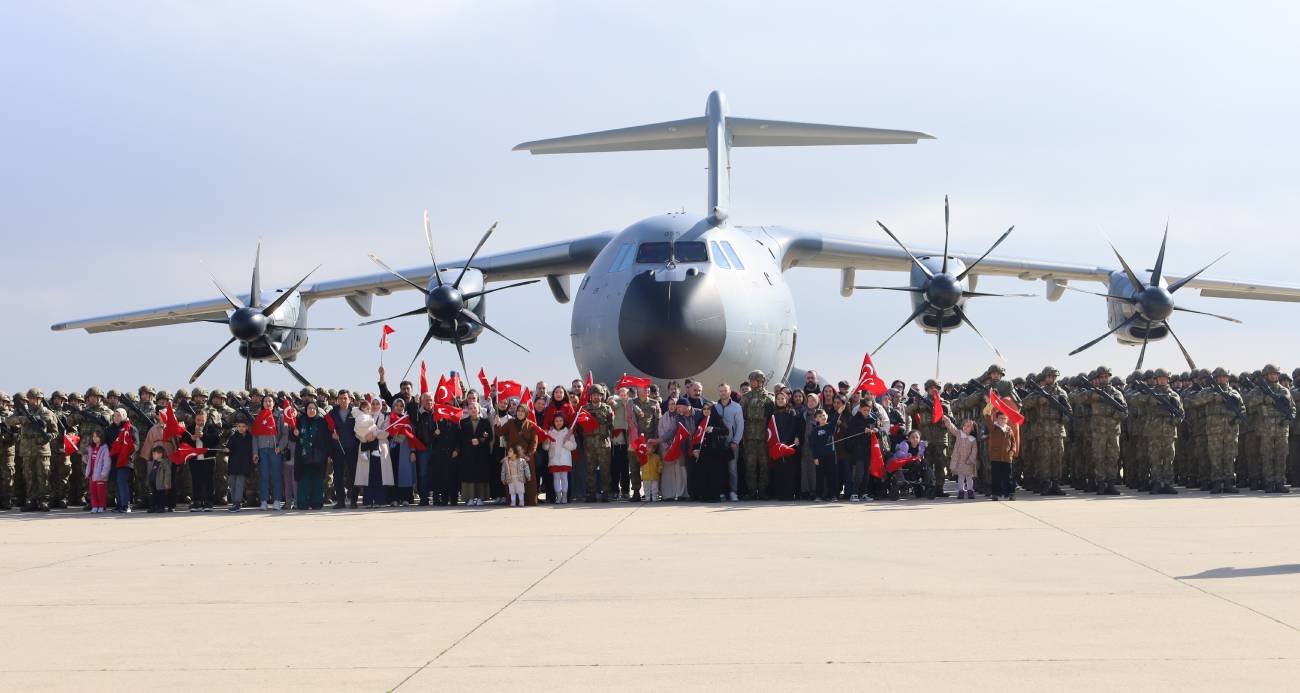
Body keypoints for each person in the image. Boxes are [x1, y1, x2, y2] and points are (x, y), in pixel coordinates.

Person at [5, 388, 60, 512]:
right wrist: (23, 419)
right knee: (29, 476)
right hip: (26, 450)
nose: (32, 401)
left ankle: (44, 501)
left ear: (40, 399)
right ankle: (32, 500)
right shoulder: (23, 412)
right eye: (30, 398)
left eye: (35, 398)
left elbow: (55, 432)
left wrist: (46, 438)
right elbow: (8, 421)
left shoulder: (48, 413)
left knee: (43, 476)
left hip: (41, 450)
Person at [740, 371, 774, 500]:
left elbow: (773, 419)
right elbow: (741, 417)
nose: (752, 382)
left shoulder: (770, 398)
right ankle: (752, 491)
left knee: (764, 465)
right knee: (750, 465)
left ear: (761, 381)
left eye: (754, 379)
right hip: (749, 437)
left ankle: (764, 491)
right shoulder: (745, 397)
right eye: (751, 379)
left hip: (764, 437)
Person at [353, 397, 393, 508]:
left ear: (381, 405)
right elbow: (357, 432)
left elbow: (386, 432)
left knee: (379, 475)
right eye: (373, 404)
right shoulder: (364, 415)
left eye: (377, 404)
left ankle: (380, 500)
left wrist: (373, 434)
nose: (375, 406)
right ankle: (368, 501)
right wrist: (365, 437)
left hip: (380, 449)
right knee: (368, 475)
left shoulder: (385, 417)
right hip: (366, 447)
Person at [251, 395, 286, 511]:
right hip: (262, 450)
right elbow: (255, 436)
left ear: (274, 403)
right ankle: (264, 501)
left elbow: (285, 434)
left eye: (270, 401)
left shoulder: (279, 416)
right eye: (265, 401)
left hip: (274, 450)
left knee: (276, 476)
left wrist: (280, 447)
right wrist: (255, 453)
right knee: (264, 476)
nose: (267, 403)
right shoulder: (258, 417)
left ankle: (277, 500)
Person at [581, 385, 615, 502]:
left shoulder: (607, 409)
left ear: (602, 396)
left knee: (605, 470)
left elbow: (612, 426)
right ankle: (591, 493)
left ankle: (606, 493)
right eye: (594, 395)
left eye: (598, 395)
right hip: (590, 444)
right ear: (590, 396)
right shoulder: (585, 409)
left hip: (603, 444)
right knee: (590, 470)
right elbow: (581, 427)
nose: (596, 397)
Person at [182, 410, 221, 511]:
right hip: (194, 459)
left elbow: (215, 440)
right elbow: (183, 441)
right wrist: (192, 439)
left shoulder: (212, 428)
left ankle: (208, 502)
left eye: (202, 420)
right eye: (198, 420)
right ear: (195, 419)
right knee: (196, 481)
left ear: (206, 418)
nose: (200, 422)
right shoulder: (189, 428)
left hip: (208, 459)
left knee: (208, 481)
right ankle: (197, 502)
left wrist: (203, 436)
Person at [293, 402, 330, 509]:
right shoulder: (299, 421)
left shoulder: (322, 422)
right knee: (303, 482)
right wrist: (294, 433)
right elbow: (292, 437)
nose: (311, 410)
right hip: (303, 457)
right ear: (306, 409)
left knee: (317, 482)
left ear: (317, 410)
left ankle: (317, 503)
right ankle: (303, 504)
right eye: (309, 408)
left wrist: (327, 453)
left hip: (318, 458)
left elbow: (327, 439)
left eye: (314, 408)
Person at [326, 391, 359, 509]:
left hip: (352, 448)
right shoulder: (332, 413)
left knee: (353, 475)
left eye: (345, 398)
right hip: (337, 449)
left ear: (349, 399)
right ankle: (340, 501)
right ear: (337, 400)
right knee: (338, 476)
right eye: (341, 398)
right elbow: (327, 430)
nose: (343, 400)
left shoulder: (355, 412)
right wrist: (331, 435)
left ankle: (354, 500)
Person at [458, 402, 493, 506]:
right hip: (468, 454)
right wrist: (470, 441)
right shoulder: (463, 422)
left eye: (475, 408)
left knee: (480, 475)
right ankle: (469, 498)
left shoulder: (485, 422)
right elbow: (460, 437)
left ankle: (480, 498)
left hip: (481, 454)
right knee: (469, 475)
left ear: (479, 409)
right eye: (470, 408)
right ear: (468, 410)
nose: (473, 409)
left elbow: (489, 436)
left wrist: (480, 440)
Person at [772, 390, 802, 500]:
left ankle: (789, 494)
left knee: (788, 470)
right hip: (776, 445)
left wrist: (784, 442)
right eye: (778, 399)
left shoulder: (791, 412)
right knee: (778, 469)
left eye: (782, 398)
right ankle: (779, 494)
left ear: (786, 400)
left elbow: (793, 428)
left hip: (788, 445)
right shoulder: (773, 413)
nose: (780, 401)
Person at [941, 415, 979, 499]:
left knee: (969, 477)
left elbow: (974, 451)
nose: (965, 427)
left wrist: (971, 459)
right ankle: (960, 491)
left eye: (968, 426)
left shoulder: (973, 439)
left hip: (968, 462)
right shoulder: (959, 434)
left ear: (972, 429)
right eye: (964, 425)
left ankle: (970, 491)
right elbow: (952, 428)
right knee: (960, 477)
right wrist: (947, 420)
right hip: (959, 461)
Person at [387, 397, 416, 506]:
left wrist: (413, 451)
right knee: (393, 474)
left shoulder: (407, 419)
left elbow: (412, 437)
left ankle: (405, 498)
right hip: (392, 450)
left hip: (405, 451)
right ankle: (393, 499)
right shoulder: (388, 418)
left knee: (405, 475)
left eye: (401, 406)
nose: (399, 408)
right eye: (396, 406)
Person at [543, 413, 576, 504]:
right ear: (553, 422)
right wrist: (546, 442)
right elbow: (545, 448)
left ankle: (564, 497)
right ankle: (558, 496)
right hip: (554, 459)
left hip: (565, 459)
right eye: (556, 421)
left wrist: (566, 442)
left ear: (564, 422)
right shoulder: (550, 432)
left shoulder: (568, 432)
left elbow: (574, 446)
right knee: (556, 478)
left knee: (564, 477)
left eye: (560, 421)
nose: (558, 423)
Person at [986, 410, 1019, 500]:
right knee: (996, 476)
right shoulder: (994, 428)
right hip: (996, 456)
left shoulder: (1009, 429)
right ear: (997, 419)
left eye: (1005, 418)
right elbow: (988, 418)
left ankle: (1010, 494)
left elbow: (1013, 442)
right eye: (1001, 418)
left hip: (1007, 457)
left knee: (1008, 476)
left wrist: (1013, 450)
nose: (1003, 420)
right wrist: (989, 406)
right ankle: (995, 494)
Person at [809, 408, 836, 501]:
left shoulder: (830, 427)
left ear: (827, 416)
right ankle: (818, 495)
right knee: (819, 477)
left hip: (830, 456)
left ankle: (832, 495)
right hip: (819, 458)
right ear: (816, 419)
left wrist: (842, 407)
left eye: (824, 415)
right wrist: (815, 457)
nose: (823, 417)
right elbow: (812, 445)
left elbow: (837, 416)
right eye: (820, 416)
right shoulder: (815, 430)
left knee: (831, 476)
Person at [226, 419, 253, 512]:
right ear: (237, 427)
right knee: (232, 484)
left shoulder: (250, 438)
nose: (241, 428)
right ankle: (234, 502)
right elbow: (229, 447)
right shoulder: (233, 437)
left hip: (244, 465)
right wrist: (227, 450)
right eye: (239, 426)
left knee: (239, 484)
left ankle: (237, 503)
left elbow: (252, 451)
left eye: (243, 426)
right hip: (233, 464)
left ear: (247, 427)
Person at [84, 429, 111, 513]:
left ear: (101, 437)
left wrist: (104, 473)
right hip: (92, 475)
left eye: (96, 436)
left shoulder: (105, 449)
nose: (94, 438)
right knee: (93, 491)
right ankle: (95, 506)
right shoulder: (91, 448)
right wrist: (87, 471)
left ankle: (101, 506)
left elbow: (107, 462)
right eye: (93, 436)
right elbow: (89, 461)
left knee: (101, 492)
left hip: (100, 475)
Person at [147, 445, 171, 513]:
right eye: (153, 454)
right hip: (153, 482)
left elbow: (167, 473)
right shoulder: (152, 462)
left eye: (155, 454)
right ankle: (153, 507)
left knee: (161, 496)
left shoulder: (164, 462)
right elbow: (150, 472)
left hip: (161, 483)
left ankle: (161, 507)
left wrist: (166, 482)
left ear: (160, 454)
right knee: (153, 495)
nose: (153, 456)